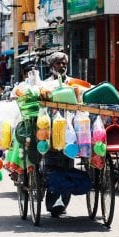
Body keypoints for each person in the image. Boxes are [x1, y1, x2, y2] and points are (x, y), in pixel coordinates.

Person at [44, 52, 73, 217]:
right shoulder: (45, 85)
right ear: (51, 66)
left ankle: (62, 203)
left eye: (63, 63)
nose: (61, 66)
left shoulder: (73, 83)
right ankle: (53, 202)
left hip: (70, 133)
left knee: (68, 167)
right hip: (50, 133)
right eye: (58, 63)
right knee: (53, 168)